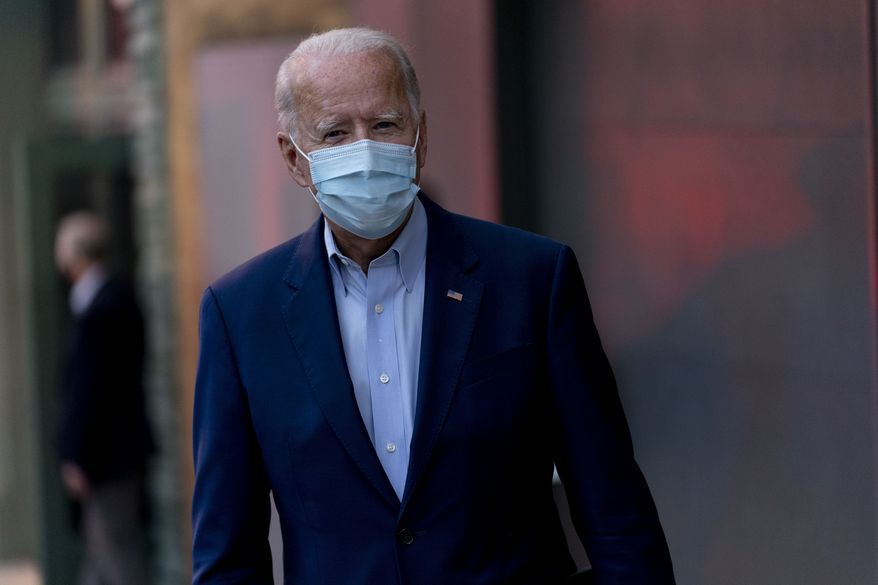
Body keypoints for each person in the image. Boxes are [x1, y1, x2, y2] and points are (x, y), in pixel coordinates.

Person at [192, 27, 675, 584]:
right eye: (334, 132)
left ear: (420, 139)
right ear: (294, 159)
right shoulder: (241, 314)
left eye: (384, 125)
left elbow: (614, 510)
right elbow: (228, 556)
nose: (364, 149)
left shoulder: (531, 280)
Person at [55, 211, 154, 585]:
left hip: (109, 460)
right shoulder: (105, 299)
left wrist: (78, 455)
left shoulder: (104, 305)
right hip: (111, 457)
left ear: (76, 254)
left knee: (116, 554)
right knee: (99, 557)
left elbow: (92, 391)